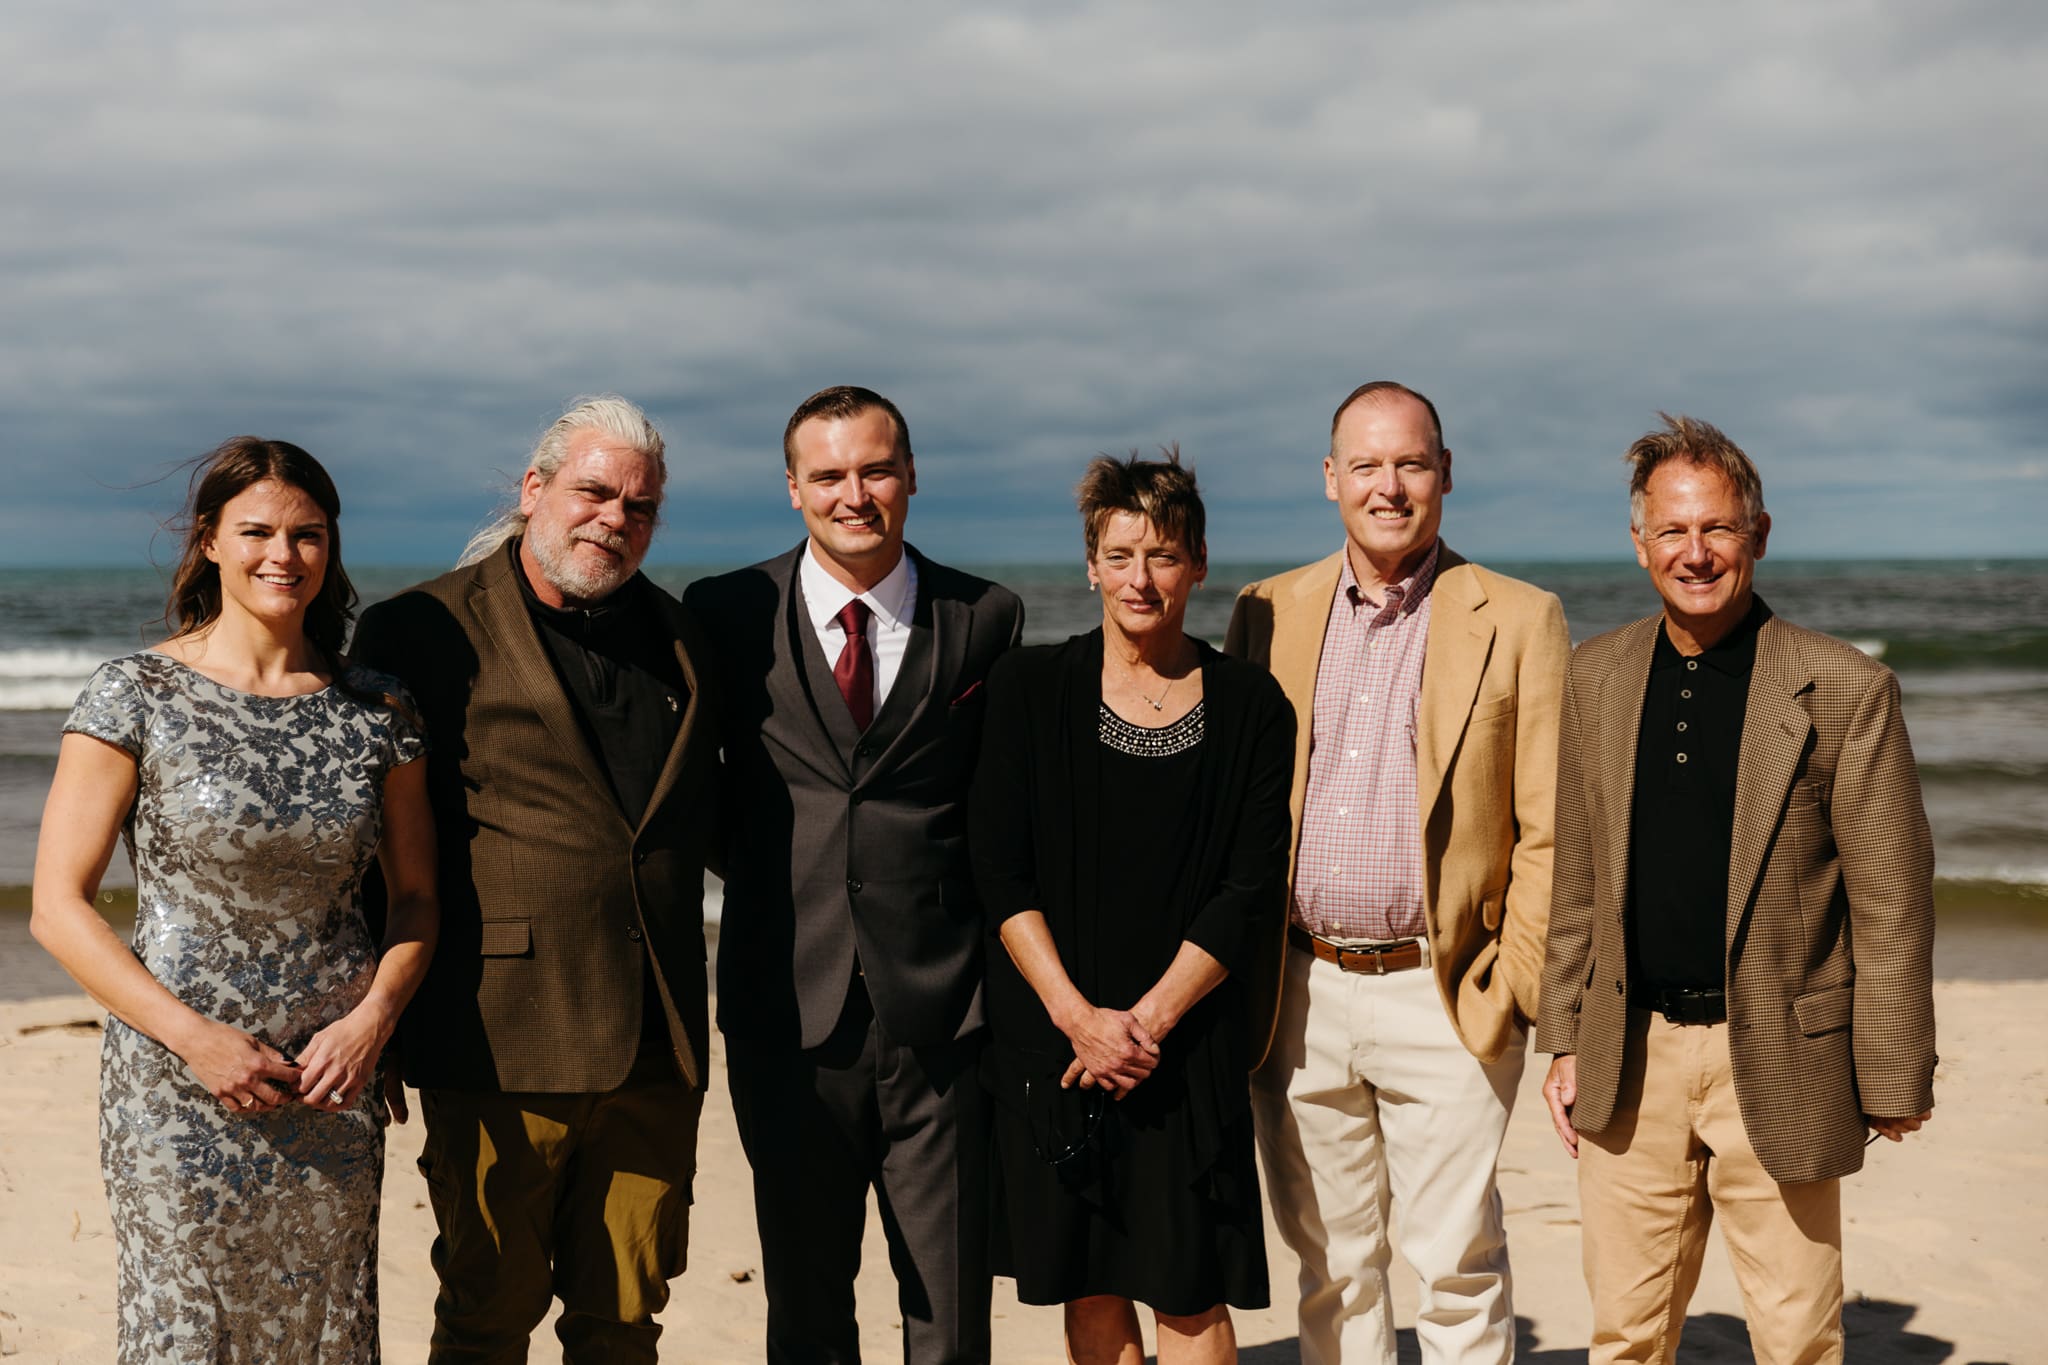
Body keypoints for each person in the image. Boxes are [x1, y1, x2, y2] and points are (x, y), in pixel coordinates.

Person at [1536, 414, 1936, 1365]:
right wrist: (1563, 1037)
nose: (1696, 551)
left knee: (1797, 1337)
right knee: (1625, 1335)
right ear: (1640, 544)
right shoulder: (1596, 675)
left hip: (1782, 1056)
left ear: (1758, 533)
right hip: (1631, 1056)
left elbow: (1892, 900)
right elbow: (1579, 879)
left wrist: (1892, 1071)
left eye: (1717, 527)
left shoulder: (1842, 685)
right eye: (1672, 530)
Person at [31, 437, 437, 1362]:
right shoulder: (135, 693)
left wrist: (374, 1021)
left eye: (308, 534)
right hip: (176, 1084)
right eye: (256, 530)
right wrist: (195, 1039)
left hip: (331, 1078)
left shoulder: (380, 709)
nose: (282, 556)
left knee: (325, 1329)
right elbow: (58, 906)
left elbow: (416, 901)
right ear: (208, 539)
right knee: (185, 1332)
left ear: (331, 548)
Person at [350, 395, 721, 1363]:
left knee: (626, 1319)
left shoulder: (682, 640)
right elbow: (371, 843)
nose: (614, 520)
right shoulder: (420, 628)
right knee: (487, 1312)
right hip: (495, 1037)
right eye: (594, 493)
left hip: (657, 1040)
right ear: (535, 489)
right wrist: (373, 1015)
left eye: (639, 508)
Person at [1224, 381, 1569, 1364]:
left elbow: (1548, 826)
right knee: (1331, 1266)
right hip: (1296, 993)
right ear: (1330, 479)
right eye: (1365, 465)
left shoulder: (1518, 617)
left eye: (1409, 463)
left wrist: (1512, 989)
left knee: (1456, 1264)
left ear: (1444, 475)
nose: (1388, 486)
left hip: (1445, 991)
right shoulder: (1265, 611)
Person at [683, 385, 1023, 1364]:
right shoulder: (726, 613)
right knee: (804, 1311)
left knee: (951, 1319)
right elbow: (695, 796)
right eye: (827, 475)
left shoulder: (983, 617)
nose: (854, 494)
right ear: (792, 489)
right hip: (782, 1013)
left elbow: (995, 809)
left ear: (910, 477)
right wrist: (775, 874)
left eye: (874, 470)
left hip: (945, 1018)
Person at [970, 451, 1295, 1364]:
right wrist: (1080, 1021)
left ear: (1197, 562)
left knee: (1191, 1291)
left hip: (1184, 1044)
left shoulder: (1251, 706)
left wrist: (1146, 1024)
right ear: (1090, 566)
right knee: (1092, 1278)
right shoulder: (1029, 691)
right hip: (1061, 1044)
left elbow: (1249, 886)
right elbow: (1001, 869)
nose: (1139, 578)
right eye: (1119, 555)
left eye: (1161, 554)